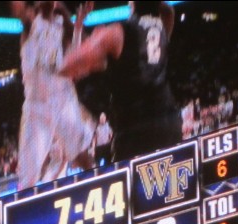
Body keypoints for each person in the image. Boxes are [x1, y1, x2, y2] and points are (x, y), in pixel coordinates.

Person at [59, 1, 182, 162]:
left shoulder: (116, 32)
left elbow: (67, 67)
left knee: (136, 186)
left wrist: (84, 31)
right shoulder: (162, 26)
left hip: (135, 129)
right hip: (169, 121)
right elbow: (168, 10)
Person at [12, 1, 94, 190]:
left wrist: (79, 24)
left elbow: (73, 56)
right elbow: (20, 11)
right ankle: (23, 216)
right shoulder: (31, 22)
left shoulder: (60, 23)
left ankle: (103, 189)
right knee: (28, 179)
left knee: (82, 155)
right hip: (37, 106)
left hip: (62, 98)